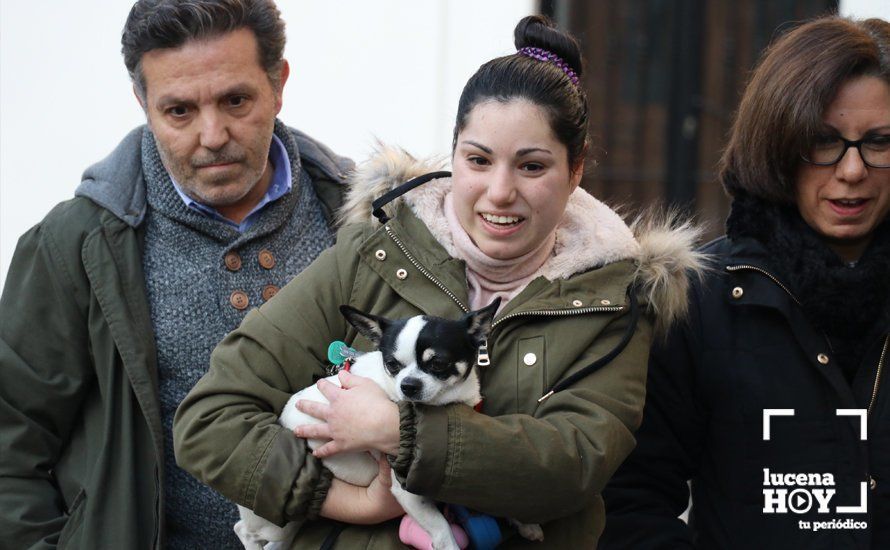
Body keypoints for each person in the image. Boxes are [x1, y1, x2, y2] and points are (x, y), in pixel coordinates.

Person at [173, 15, 705, 549]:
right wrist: (344, 500)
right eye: (478, 159)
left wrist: (397, 431)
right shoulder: (373, 255)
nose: (499, 192)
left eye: (532, 166)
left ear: (576, 169)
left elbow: (570, 468)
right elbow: (210, 420)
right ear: (454, 155)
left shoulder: (615, 303)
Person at [0, 1, 353, 548]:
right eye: (180, 111)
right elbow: (11, 441)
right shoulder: (77, 244)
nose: (212, 135)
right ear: (142, 101)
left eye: (235, 101)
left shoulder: (360, 221)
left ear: (279, 83)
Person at [601, 15, 890, 549]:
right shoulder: (700, 302)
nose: (852, 170)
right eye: (823, 141)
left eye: (880, 141)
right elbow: (630, 500)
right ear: (778, 145)